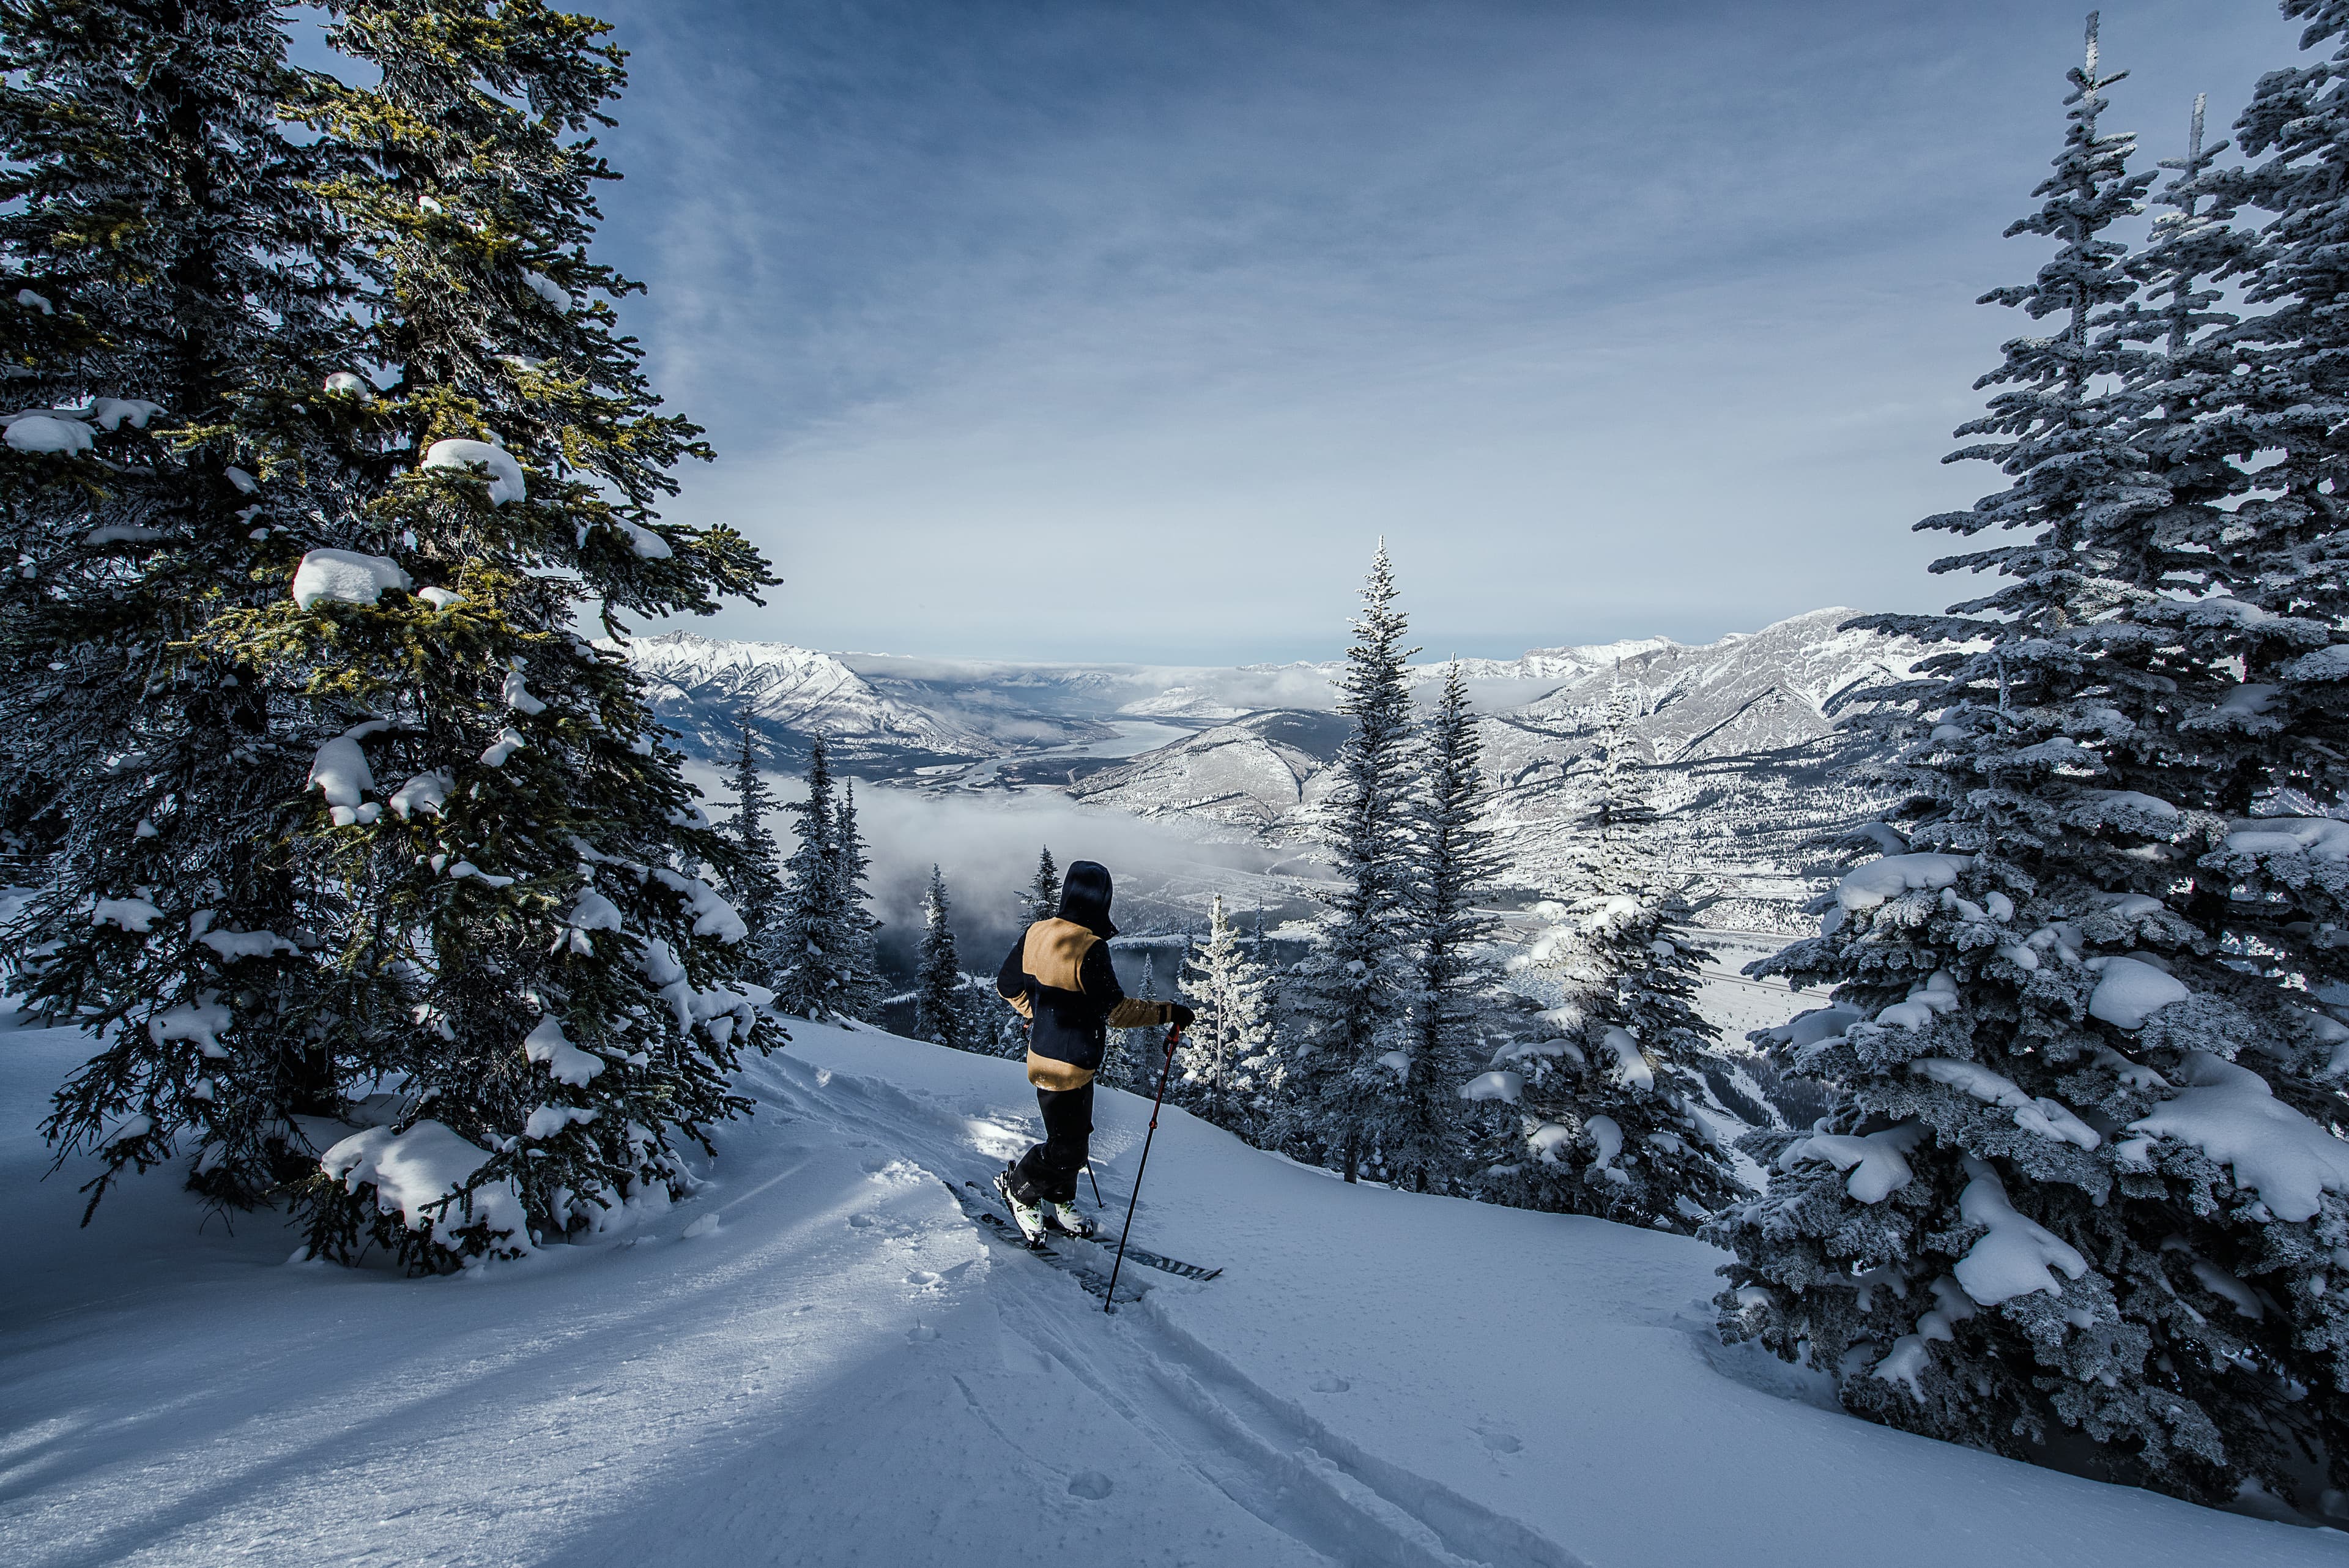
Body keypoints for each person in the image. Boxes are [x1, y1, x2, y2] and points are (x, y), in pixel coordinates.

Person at [993, 859, 1192, 1243]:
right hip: (1064, 1066)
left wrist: (1037, 1014)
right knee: (1067, 1149)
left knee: (1076, 1138)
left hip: (1063, 1062)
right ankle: (1020, 1189)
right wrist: (1170, 1012)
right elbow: (1116, 1011)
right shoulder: (1089, 947)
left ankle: (1060, 1197)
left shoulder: (1036, 933)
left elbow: (1007, 985)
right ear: (1102, 900)